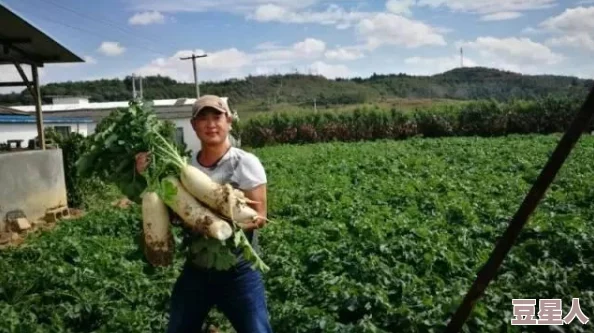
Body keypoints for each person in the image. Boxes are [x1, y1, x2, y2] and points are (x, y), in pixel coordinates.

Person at [135, 95, 273, 333]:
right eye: (203, 119)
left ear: (228, 121)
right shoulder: (184, 167)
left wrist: (217, 222)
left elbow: (259, 217)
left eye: (217, 117)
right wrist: (144, 175)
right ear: (193, 125)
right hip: (197, 269)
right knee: (178, 328)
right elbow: (173, 213)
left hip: (238, 271)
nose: (211, 124)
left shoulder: (244, 162)